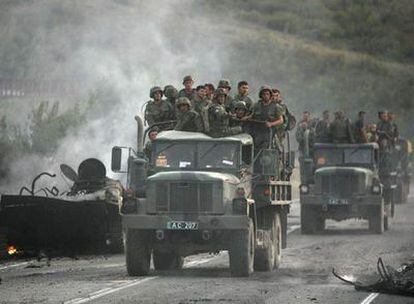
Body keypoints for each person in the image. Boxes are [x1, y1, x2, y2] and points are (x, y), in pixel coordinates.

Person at [251, 85, 284, 152]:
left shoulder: (275, 106)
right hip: (258, 131)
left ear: (270, 95)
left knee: (267, 148)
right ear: (261, 95)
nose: (265, 96)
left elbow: (281, 120)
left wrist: (271, 124)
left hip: (270, 131)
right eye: (264, 94)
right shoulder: (256, 105)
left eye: (267, 94)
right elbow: (251, 115)